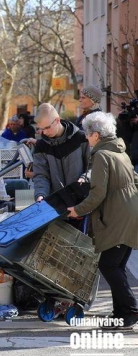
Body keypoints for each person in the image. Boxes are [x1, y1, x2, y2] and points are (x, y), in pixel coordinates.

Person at [67, 112, 138, 330]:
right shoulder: (119, 151)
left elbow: (97, 193)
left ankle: (131, 311)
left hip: (116, 216)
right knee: (116, 265)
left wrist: (76, 210)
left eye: (87, 135)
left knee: (108, 265)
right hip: (129, 213)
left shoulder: (101, 156)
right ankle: (121, 315)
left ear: (96, 135)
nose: (86, 139)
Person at [31, 103, 90, 227]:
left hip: (83, 204)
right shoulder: (41, 146)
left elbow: (93, 166)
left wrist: (85, 178)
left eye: (47, 127)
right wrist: (41, 194)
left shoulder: (81, 138)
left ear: (57, 120)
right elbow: (41, 175)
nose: (45, 132)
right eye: (41, 129)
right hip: (56, 207)